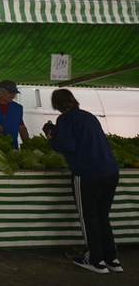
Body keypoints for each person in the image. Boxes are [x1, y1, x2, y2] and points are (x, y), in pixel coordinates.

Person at [45, 88, 121, 274]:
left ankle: (95, 260)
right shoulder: (89, 116)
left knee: (89, 218)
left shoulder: (65, 119)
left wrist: (50, 137)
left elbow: (68, 146)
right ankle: (112, 259)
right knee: (102, 216)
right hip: (111, 171)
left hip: (88, 173)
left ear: (56, 104)